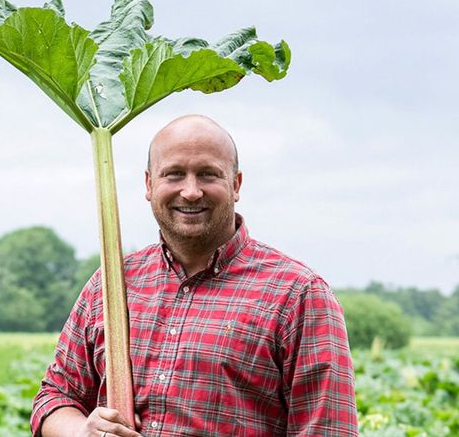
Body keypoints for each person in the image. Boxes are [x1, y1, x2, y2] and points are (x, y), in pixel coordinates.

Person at [31, 115, 358, 436]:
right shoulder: (111, 283)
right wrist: (82, 431)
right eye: (174, 174)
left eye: (207, 174)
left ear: (236, 184)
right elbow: (55, 396)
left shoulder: (299, 295)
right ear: (149, 184)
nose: (190, 191)